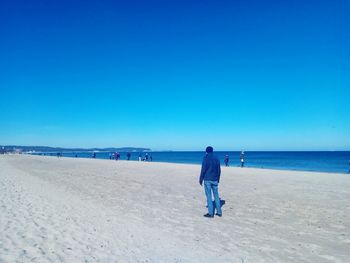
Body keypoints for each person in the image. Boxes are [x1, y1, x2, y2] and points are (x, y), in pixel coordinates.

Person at [199, 146, 222, 218]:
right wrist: (218, 178)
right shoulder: (216, 157)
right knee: (216, 196)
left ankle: (211, 213)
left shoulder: (206, 157)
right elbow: (219, 169)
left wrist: (201, 179)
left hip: (207, 179)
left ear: (206, 151)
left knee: (209, 196)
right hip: (215, 179)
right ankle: (219, 212)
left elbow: (203, 169)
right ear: (212, 151)